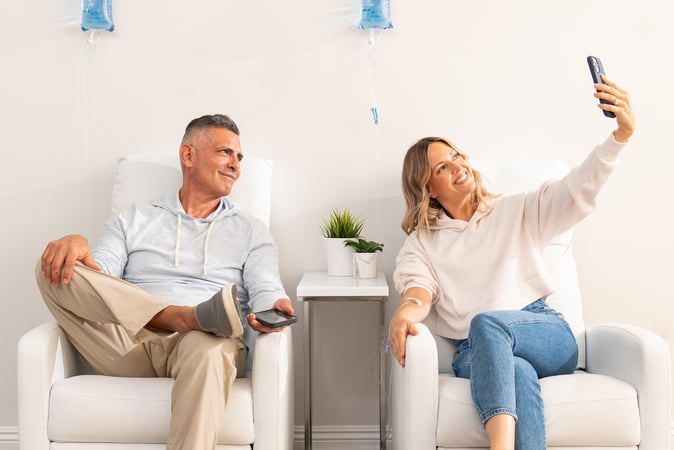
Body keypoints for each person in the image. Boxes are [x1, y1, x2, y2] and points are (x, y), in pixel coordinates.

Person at [389, 75, 635, 450]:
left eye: (456, 156)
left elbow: (575, 189)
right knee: (515, 371)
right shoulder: (422, 245)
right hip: (474, 352)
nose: (457, 166)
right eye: (442, 168)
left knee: (489, 324)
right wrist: (407, 312)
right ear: (427, 189)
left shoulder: (515, 209)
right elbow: (418, 292)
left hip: (543, 332)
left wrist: (618, 139)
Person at [35, 114, 294, 450]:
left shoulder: (251, 229)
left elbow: (265, 285)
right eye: (224, 153)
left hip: (201, 339)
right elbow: (100, 280)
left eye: (239, 157)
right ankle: (178, 315)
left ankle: (189, 319)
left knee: (213, 347)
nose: (235, 165)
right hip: (126, 342)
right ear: (188, 155)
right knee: (50, 268)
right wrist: (74, 245)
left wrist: (274, 306)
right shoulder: (134, 218)